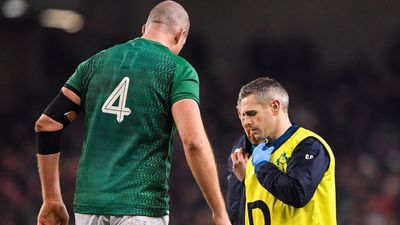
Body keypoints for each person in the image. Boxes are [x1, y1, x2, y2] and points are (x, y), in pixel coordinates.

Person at [34, 1, 231, 225]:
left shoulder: (94, 63)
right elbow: (194, 141)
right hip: (141, 207)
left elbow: (47, 124)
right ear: (180, 35)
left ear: (144, 29)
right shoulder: (178, 69)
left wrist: (51, 198)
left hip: (89, 209)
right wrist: (219, 212)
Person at [230, 77, 336, 225]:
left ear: (275, 106)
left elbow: (298, 194)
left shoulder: (309, 145)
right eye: (242, 116)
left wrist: (262, 167)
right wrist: (245, 180)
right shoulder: (250, 157)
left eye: (252, 114)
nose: (246, 122)